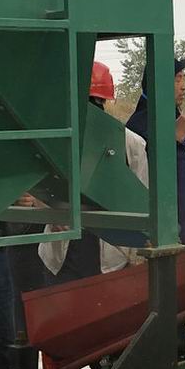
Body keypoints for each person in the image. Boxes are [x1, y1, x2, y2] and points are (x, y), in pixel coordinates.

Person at [39, 62, 146, 284]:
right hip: (63, 256)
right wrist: (51, 211)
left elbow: (142, 201)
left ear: (101, 104)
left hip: (110, 257)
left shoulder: (130, 144)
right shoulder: (56, 139)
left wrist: (136, 255)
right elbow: (41, 187)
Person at [126, 59, 185, 251]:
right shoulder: (138, 126)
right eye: (177, 79)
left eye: (183, 79)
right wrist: (173, 138)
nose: (184, 86)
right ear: (159, 83)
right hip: (168, 235)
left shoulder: (170, 117)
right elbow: (140, 178)